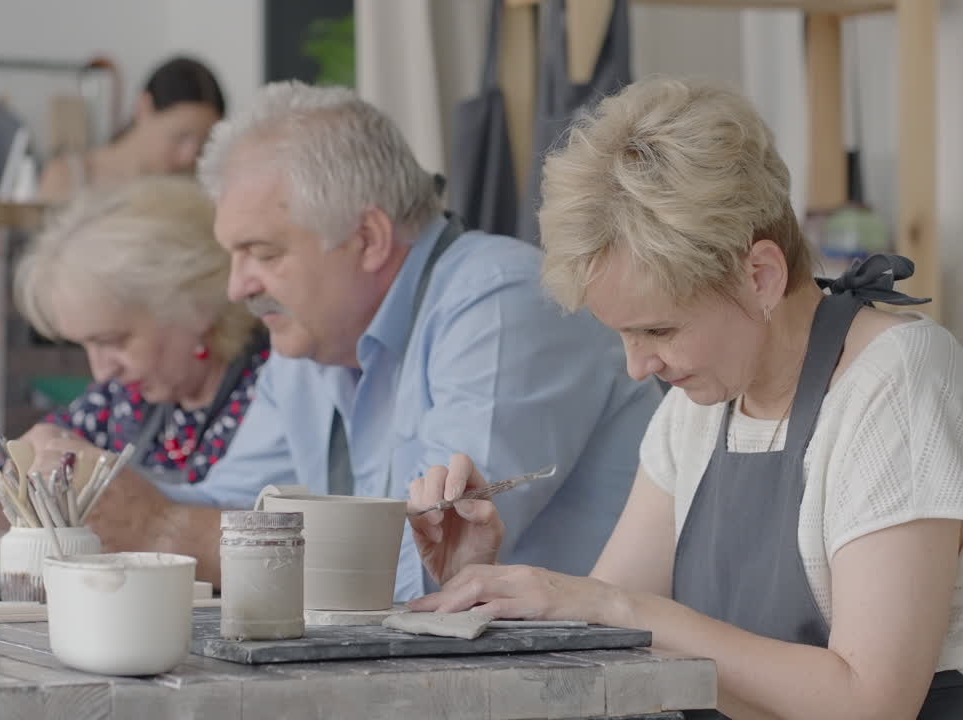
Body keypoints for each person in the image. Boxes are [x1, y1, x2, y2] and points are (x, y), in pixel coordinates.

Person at [407, 78, 963, 719]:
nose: (637, 368)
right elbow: (605, 644)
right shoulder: (698, 409)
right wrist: (480, 583)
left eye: (658, 329)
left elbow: (869, 705)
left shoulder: (895, 385)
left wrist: (623, 609)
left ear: (760, 276)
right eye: (623, 335)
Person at [166, 80, 661, 601]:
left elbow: (419, 568)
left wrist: (162, 530)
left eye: (263, 254)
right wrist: (107, 496)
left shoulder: (501, 301)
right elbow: (228, 508)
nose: (237, 285)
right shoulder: (313, 339)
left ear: (368, 239)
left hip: (585, 674)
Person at [0, 177, 268, 582]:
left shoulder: (272, 390)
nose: (101, 371)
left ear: (195, 305)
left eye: (113, 340)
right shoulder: (124, 397)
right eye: (85, 347)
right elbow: (40, 461)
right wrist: (5, 495)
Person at [38, 56, 225, 204]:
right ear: (144, 107)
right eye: (180, 137)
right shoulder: (70, 176)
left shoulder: (200, 189)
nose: (189, 156)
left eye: (203, 143)